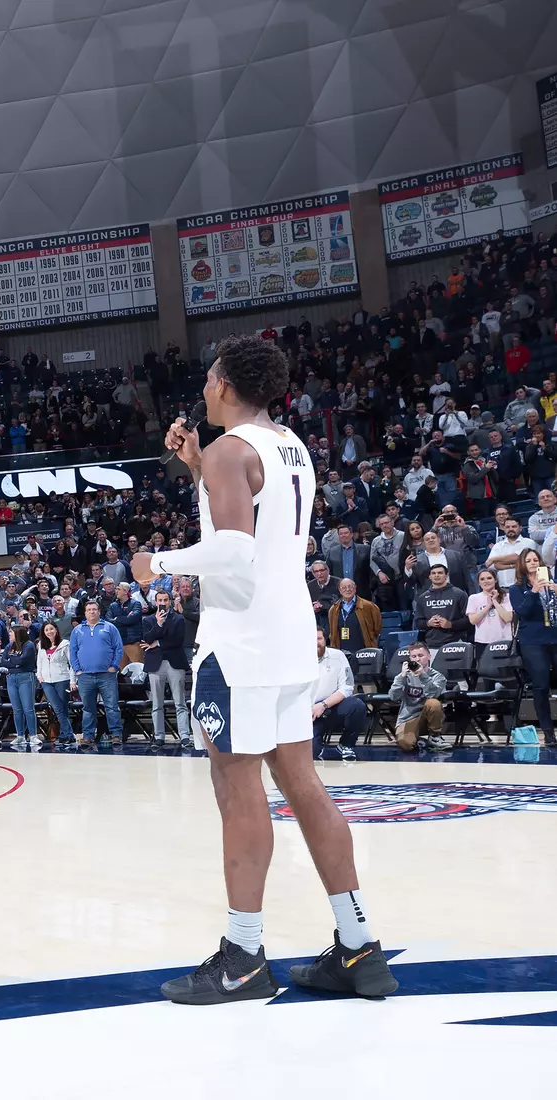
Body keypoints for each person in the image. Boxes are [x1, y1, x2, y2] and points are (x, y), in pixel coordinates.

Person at [144, 333, 396, 1005]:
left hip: (241, 645)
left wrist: (157, 565)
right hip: (290, 641)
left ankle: (245, 955)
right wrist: (198, 465)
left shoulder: (233, 450)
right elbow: (253, 522)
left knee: (239, 794)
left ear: (226, 387)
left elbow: (231, 552)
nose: (202, 389)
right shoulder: (288, 444)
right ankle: (358, 946)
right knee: (303, 784)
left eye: (208, 380)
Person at [509, 548, 557, 747]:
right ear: (522, 564)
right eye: (529, 560)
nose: (533, 562)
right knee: (541, 685)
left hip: (554, 637)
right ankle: (548, 731)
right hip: (532, 641)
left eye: (536, 559)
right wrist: (534, 591)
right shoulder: (516, 589)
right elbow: (521, 611)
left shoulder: (552, 583)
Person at [68, 600, 123, 748]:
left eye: (94, 609)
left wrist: (114, 666)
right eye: (89, 610)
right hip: (85, 676)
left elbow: (119, 648)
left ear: (99, 611)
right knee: (88, 708)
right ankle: (88, 736)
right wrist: (78, 670)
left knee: (111, 706)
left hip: (107, 674)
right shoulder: (77, 630)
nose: (92, 612)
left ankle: (116, 735)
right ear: (85, 613)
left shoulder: (109, 627)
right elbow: (72, 652)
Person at [140, 588, 190, 748]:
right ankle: (159, 736)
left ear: (170, 601)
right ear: (156, 602)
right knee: (157, 704)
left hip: (175, 662)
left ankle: (184, 736)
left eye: (165, 600)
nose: (162, 603)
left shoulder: (179, 618)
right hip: (155, 664)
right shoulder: (148, 620)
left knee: (180, 702)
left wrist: (158, 643)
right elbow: (147, 638)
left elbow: (178, 640)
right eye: (160, 601)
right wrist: (159, 624)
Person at [310, 628, 367, 761]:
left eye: (319, 639)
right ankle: (319, 748)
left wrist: (323, 705)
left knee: (357, 706)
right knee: (312, 752)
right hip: (309, 711)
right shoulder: (298, 660)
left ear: (325, 640)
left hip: (332, 706)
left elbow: (347, 687)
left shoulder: (338, 656)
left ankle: (346, 745)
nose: (315, 643)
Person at [389, 640, 447, 752]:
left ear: (429, 656)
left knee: (433, 703)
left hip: (429, 717)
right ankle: (421, 741)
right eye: (414, 656)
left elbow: (433, 694)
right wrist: (402, 677)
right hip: (408, 718)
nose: (417, 659)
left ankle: (435, 736)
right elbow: (393, 697)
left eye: (421, 655)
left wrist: (423, 675)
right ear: (410, 658)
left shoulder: (438, 677)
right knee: (406, 745)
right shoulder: (402, 676)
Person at [34, 621, 74, 746]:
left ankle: (64, 734)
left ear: (56, 630)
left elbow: (72, 663)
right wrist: (39, 676)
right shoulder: (41, 645)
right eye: (46, 630)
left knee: (63, 708)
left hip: (62, 679)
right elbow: (39, 662)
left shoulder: (65, 644)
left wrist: (73, 680)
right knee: (57, 708)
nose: (49, 632)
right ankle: (69, 734)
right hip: (46, 681)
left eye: (51, 629)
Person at [413, 562, 469, 651]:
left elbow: (468, 620)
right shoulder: (423, 598)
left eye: (440, 573)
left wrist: (450, 624)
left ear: (446, 575)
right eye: (434, 573)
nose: (437, 575)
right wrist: (428, 623)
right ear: (430, 577)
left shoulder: (459, 594)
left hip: (456, 643)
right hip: (432, 644)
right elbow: (418, 622)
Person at [0, 626, 38, 750]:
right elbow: (2, 661)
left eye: (11, 633)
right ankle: (20, 735)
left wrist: (12, 662)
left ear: (18, 633)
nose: (9, 635)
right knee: (17, 709)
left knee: (28, 708)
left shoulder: (29, 645)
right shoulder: (9, 646)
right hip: (11, 678)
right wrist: (15, 663)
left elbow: (23, 660)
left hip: (26, 677)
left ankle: (33, 735)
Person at [326, 578, 381, 652]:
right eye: (344, 587)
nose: (347, 589)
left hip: (364, 651)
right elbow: (332, 633)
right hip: (341, 653)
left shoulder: (368, 606)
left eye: (350, 586)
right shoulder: (333, 609)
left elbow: (377, 628)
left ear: (355, 588)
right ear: (340, 590)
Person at [465, 568, 515, 645]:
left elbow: (508, 618)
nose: (486, 581)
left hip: (504, 640)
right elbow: (473, 621)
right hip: (482, 641)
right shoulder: (473, 598)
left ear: (495, 580)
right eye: (482, 579)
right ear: (478, 583)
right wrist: (488, 606)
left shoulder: (507, 596)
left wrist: (495, 601)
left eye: (489, 578)